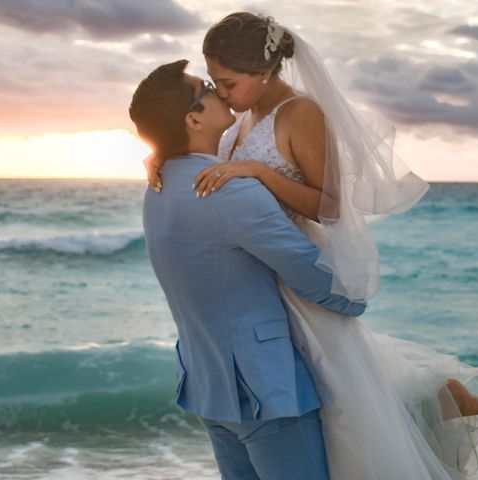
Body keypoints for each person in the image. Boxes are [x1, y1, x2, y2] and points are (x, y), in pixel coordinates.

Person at [146, 12, 478, 480]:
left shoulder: (301, 114)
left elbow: (331, 205)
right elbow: (209, 159)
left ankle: (438, 398)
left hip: (293, 263)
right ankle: (436, 395)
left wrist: (261, 173)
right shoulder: (240, 121)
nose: (221, 95)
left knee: (345, 402)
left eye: (227, 83)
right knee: (342, 391)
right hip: (260, 271)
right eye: (214, 85)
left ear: (263, 73)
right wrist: (161, 151)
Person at [130, 59, 370, 480]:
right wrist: (355, 295)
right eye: (207, 87)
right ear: (193, 117)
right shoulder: (234, 194)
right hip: (264, 391)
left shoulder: (156, 188)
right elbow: (320, 282)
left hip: (208, 386)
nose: (220, 91)